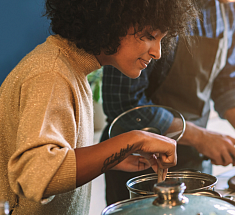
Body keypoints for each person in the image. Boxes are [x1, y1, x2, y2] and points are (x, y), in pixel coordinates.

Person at [0, 0, 199, 214]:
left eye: (162, 39)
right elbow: (35, 175)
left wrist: (112, 159)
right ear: (112, 20)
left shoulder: (71, 68)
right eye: (150, 36)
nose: (158, 52)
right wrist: (134, 139)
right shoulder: (51, 73)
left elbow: (58, 153)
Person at [100, 0, 235, 206]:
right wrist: (199, 137)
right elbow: (124, 102)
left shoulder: (229, 6)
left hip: (194, 163)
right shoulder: (152, 7)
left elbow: (227, 80)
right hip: (139, 168)